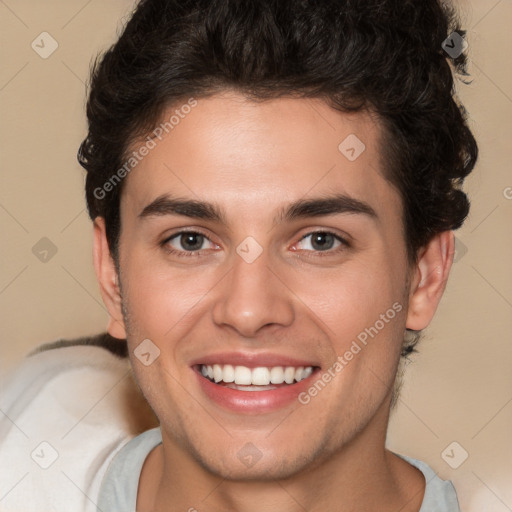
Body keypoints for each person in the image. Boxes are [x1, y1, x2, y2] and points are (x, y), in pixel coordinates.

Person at [0, 0, 478, 510]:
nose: (249, 312)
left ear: (424, 275)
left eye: (320, 240)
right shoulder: (22, 444)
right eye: (190, 240)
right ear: (111, 275)